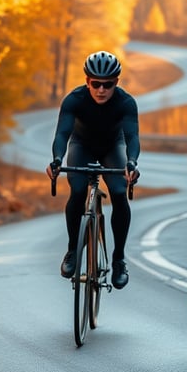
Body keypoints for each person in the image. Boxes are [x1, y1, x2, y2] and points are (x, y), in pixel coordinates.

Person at [46, 50, 140, 290]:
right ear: (87, 81)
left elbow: (131, 137)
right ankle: (72, 251)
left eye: (107, 85)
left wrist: (131, 163)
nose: (101, 90)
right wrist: (57, 159)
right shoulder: (74, 99)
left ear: (116, 82)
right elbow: (62, 134)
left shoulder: (126, 102)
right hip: (82, 145)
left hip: (113, 147)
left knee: (119, 193)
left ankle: (118, 259)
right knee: (77, 191)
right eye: (95, 84)